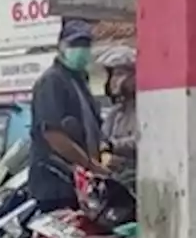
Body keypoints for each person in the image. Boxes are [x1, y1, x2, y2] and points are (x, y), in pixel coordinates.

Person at [28, 19, 106, 211]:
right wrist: (89, 165)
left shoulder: (81, 81)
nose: (81, 50)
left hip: (83, 185)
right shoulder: (52, 81)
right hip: (57, 184)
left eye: (85, 45)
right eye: (75, 44)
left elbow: (94, 127)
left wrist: (104, 152)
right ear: (61, 47)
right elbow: (53, 134)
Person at [98, 44, 137, 190]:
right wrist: (104, 152)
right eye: (112, 74)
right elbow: (103, 139)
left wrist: (114, 146)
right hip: (116, 183)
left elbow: (145, 141)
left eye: (120, 73)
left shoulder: (146, 110)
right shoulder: (115, 113)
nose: (114, 80)